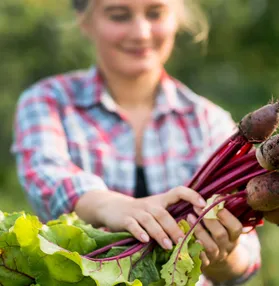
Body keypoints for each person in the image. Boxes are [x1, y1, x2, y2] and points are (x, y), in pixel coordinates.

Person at [11, 0, 261, 284]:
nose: (141, 32)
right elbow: (46, 174)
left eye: (155, 13)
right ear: (85, 22)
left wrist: (223, 257)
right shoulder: (47, 102)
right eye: (119, 16)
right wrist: (111, 205)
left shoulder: (209, 121)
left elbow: (246, 258)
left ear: (176, 18)